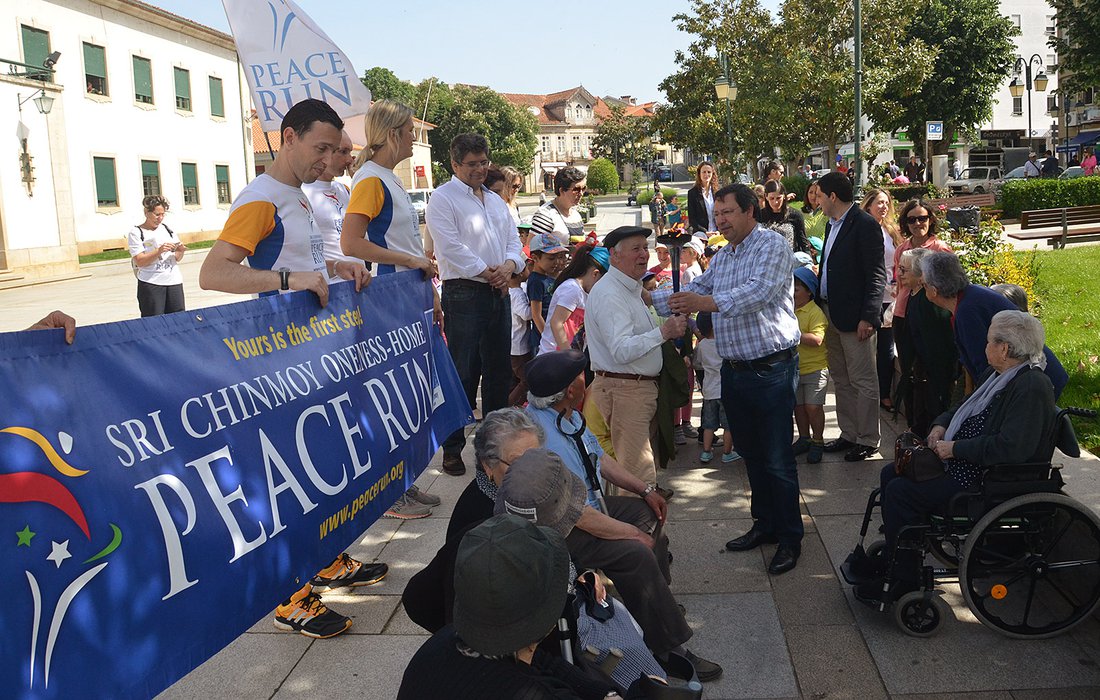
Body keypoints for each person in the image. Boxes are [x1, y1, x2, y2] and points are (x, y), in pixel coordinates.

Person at [198, 98, 380, 640]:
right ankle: (290, 597)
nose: (328, 159)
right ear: (288, 138)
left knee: (319, 462)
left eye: (333, 149)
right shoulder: (262, 198)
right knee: (286, 477)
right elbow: (214, 273)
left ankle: (323, 559)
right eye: (320, 148)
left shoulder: (295, 196)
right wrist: (287, 282)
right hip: (275, 363)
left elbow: (301, 261)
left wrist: (337, 266)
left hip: (308, 357)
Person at [520, 351, 723, 680]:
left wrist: (645, 490)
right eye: (581, 375)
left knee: (648, 514)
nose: (586, 378)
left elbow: (599, 458)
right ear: (570, 390)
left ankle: (655, 603)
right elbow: (579, 515)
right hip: (562, 528)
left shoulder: (566, 414)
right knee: (635, 552)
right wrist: (630, 534)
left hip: (587, 507)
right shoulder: (544, 439)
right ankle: (668, 648)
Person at [650, 184, 803, 575]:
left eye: (728, 213)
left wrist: (702, 304)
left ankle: (790, 538)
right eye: (717, 214)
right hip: (735, 370)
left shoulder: (772, 245)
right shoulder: (724, 256)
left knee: (777, 458)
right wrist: (642, 295)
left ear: (750, 211)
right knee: (751, 454)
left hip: (771, 369)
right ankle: (764, 524)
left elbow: (757, 294)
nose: (720, 221)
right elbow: (694, 288)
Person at [854, 310, 1058, 602]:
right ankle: (896, 555)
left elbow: (1012, 448)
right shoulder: (997, 375)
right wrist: (941, 425)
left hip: (984, 478)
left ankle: (904, 577)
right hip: (964, 464)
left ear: (1004, 349)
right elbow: (962, 408)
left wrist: (955, 449)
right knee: (891, 473)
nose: (984, 347)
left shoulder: (1031, 386)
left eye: (989, 341)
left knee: (901, 492)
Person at [338, 99, 442, 515]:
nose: (416, 140)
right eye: (411, 132)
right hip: (388, 299)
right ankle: (389, 489)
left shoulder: (388, 179)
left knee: (410, 394)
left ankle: (405, 479)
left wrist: (429, 291)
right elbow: (351, 243)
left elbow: (407, 243)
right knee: (392, 395)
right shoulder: (370, 180)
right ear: (394, 134)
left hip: (409, 296)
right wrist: (411, 262)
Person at [397, 514, 617, 700]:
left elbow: (540, 659)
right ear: (550, 621)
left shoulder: (441, 644)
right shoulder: (534, 692)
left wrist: (602, 692)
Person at [426, 132, 527, 476]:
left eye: (484, 162)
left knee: (499, 374)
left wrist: (509, 267)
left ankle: (494, 452)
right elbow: (450, 247)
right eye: (472, 164)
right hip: (465, 292)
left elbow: (513, 241)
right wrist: (488, 272)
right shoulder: (442, 198)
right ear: (455, 164)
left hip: (498, 291)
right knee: (463, 372)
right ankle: (452, 448)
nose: (480, 169)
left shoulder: (496, 201)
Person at [585, 226, 687, 492]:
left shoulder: (628, 288)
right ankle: (637, 518)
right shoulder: (611, 293)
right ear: (614, 255)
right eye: (635, 249)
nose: (643, 254)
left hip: (634, 389)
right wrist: (664, 332)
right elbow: (621, 350)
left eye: (645, 247)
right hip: (625, 391)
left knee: (638, 470)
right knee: (636, 476)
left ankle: (638, 514)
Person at [921, 251, 1068, 398]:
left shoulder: (967, 311)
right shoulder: (970, 296)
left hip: (1034, 385)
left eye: (924, 285)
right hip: (1030, 378)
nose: (923, 288)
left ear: (934, 291)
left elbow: (984, 365)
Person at [816, 172, 887, 462]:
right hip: (830, 312)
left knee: (862, 379)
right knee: (841, 378)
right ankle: (849, 434)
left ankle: (868, 439)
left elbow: (876, 274)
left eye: (820, 196)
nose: (817, 201)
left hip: (856, 318)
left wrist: (869, 317)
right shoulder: (831, 224)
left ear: (832, 196)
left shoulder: (865, 224)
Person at [893, 248, 956, 438]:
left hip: (933, 374)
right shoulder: (914, 294)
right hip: (920, 372)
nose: (899, 274)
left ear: (921, 274)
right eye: (899, 268)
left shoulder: (929, 301)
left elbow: (936, 344)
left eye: (904, 270)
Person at [861, 187, 904, 413]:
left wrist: (898, 282)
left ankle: (884, 394)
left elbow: (899, 260)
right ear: (868, 205)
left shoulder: (891, 230)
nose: (884, 206)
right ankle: (867, 394)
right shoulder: (860, 229)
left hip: (890, 297)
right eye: (879, 202)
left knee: (886, 347)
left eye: (887, 202)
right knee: (866, 348)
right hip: (868, 297)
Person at [302, 130, 360, 279]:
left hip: (357, 283)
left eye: (350, 152)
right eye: (343, 152)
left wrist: (358, 180)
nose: (349, 160)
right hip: (331, 286)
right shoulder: (303, 193)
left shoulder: (344, 189)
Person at [538, 244, 609, 354]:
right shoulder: (572, 289)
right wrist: (570, 357)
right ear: (595, 274)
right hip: (553, 357)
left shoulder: (586, 293)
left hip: (570, 356)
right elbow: (556, 323)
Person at [791, 266, 829, 464]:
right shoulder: (789, 310)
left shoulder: (815, 313)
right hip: (795, 369)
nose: (792, 292)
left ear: (809, 291)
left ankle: (818, 441)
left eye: (796, 288)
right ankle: (804, 438)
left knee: (813, 407)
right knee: (799, 407)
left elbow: (817, 339)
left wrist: (793, 335)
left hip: (815, 369)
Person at [693, 312, 739, 464]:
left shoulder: (701, 345)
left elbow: (698, 363)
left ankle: (706, 452)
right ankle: (727, 453)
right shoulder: (724, 343)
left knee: (708, 425)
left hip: (709, 390)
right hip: (725, 390)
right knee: (728, 425)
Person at [128, 195, 186, 317]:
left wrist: (180, 251)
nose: (160, 218)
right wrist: (158, 251)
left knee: (178, 320)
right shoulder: (136, 232)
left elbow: (176, 258)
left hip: (174, 282)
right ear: (146, 212)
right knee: (154, 321)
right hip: (151, 283)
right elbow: (139, 261)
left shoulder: (167, 229)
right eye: (156, 214)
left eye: (163, 214)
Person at [526, 233, 569, 352]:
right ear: (535, 258)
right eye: (551, 258)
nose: (556, 262)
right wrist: (548, 338)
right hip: (542, 342)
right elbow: (536, 315)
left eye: (558, 257)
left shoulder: (549, 276)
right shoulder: (536, 281)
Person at [530, 166, 586, 246]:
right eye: (576, 189)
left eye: (583, 188)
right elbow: (531, 247)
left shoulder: (576, 214)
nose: (581, 193)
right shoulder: (545, 214)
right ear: (562, 190)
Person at [759, 180, 813, 258]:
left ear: (784, 196)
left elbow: (803, 242)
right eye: (772, 198)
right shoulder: (760, 216)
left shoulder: (795, 215)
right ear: (766, 197)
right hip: (765, 259)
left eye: (778, 198)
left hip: (789, 259)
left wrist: (808, 260)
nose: (775, 202)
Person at [508, 260, 533, 407]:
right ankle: (510, 405)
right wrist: (536, 307)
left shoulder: (510, 292)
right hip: (519, 346)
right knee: (526, 380)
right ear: (520, 274)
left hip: (513, 343)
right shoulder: (517, 294)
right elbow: (526, 314)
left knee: (514, 379)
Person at [686, 161, 718, 235]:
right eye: (704, 172)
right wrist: (705, 232)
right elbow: (692, 219)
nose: (706, 174)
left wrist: (719, 230)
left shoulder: (717, 192)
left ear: (712, 174)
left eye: (709, 172)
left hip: (717, 233)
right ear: (699, 174)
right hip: (701, 233)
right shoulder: (692, 193)